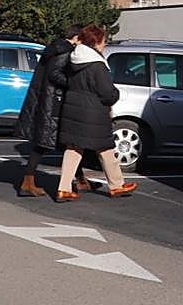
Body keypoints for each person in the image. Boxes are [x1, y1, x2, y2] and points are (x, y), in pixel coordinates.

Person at [55, 24, 136, 201]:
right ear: (96, 42)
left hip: (73, 109)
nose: (104, 44)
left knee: (74, 148)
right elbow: (107, 92)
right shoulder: (97, 64)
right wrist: (116, 95)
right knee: (105, 147)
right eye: (103, 41)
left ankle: (64, 188)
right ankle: (116, 185)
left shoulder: (74, 59)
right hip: (93, 112)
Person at [13, 24, 95, 197]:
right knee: (47, 143)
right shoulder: (64, 51)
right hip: (54, 103)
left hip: (48, 101)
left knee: (65, 143)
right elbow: (55, 74)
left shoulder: (55, 48)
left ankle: (80, 179)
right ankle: (28, 182)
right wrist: (73, 83)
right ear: (76, 38)